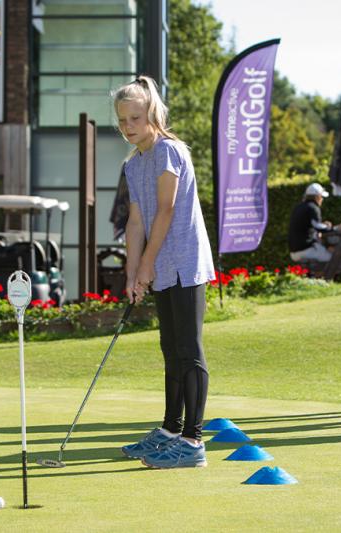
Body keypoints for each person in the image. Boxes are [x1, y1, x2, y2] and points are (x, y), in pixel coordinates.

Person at [113, 76, 216, 467]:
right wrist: (131, 272)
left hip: (184, 263)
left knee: (189, 350)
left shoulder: (169, 152)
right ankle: (170, 430)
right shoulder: (133, 164)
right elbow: (136, 221)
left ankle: (193, 442)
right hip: (160, 265)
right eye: (122, 120)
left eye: (135, 117)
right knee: (170, 349)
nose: (128, 126)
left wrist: (147, 262)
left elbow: (167, 209)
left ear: (151, 113)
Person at [288, 183, 338, 263]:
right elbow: (318, 226)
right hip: (305, 250)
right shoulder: (313, 207)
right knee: (334, 258)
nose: (322, 199)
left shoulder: (299, 207)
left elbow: (309, 226)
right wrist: (332, 228)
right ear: (317, 197)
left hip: (294, 251)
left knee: (325, 251)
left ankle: (321, 275)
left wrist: (324, 226)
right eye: (321, 197)